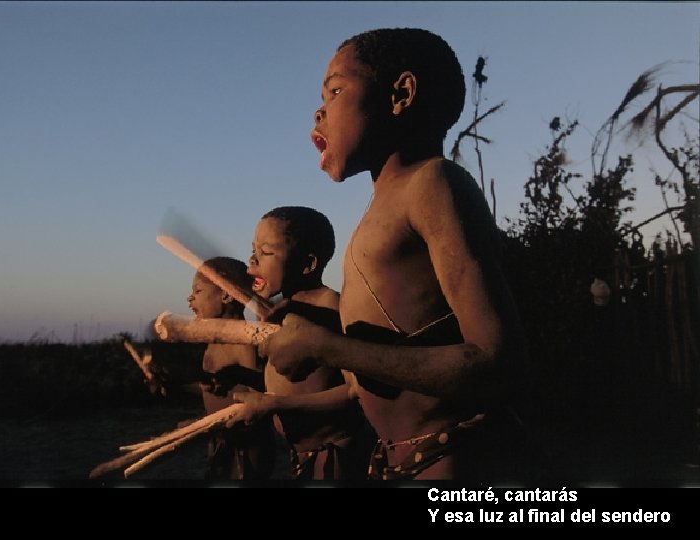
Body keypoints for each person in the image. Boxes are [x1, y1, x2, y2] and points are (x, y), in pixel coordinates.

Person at [259, 28, 546, 482]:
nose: (319, 109)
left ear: (400, 94)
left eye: (335, 90)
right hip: (403, 463)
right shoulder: (377, 214)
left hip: (455, 462)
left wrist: (327, 346)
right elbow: (364, 384)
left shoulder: (432, 183)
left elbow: (498, 362)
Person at [225, 206, 375, 481]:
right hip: (301, 455)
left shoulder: (331, 308)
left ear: (308, 264)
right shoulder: (280, 312)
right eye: (253, 249)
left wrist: (275, 405)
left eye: (266, 252)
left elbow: (356, 393)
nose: (253, 259)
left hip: (336, 455)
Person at [186, 256, 276, 481]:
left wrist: (236, 375)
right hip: (220, 441)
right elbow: (216, 389)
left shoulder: (244, 340)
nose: (189, 298)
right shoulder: (213, 341)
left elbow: (261, 393)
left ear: (226, 295)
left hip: (247, 446)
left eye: (197, 291)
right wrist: (176, 385)